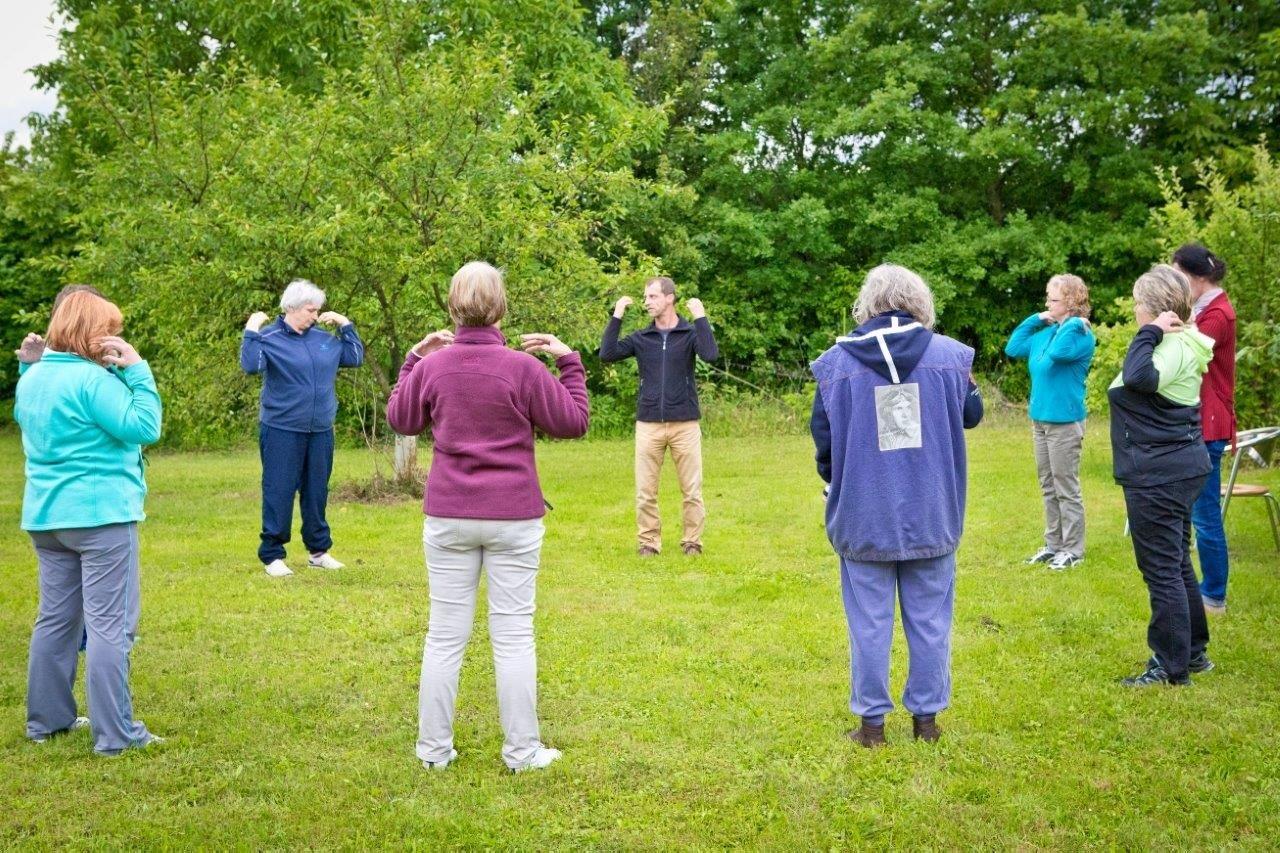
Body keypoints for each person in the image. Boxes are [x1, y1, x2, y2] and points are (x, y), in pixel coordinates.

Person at [386, 261, 589, 773]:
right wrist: (569, 361)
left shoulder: (434, 367)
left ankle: (433, 752)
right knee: (514, 635)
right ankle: (521, 753)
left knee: (444, 636)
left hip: (449, 514)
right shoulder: (523, 368)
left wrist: (413, 359)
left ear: (453, 307)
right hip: (513, 515)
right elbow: (573, 422)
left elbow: (401, 419)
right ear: (501, 307)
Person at [810, 264, 983, 747]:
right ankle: (926, 721)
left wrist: (837, 480)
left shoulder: (836, 364)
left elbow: (824, 444)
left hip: (864, 511)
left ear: (867, 303)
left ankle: (872, 726)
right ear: (919, 302)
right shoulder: (951, 357)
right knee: (930, 621)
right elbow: (973, 414)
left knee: (868, 624)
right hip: (931, 509)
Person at [14, 290, 163, 754]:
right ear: (88, 331)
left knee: (55, 620)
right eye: (108, 330)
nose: (113, 337)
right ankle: (117, 735)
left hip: (47, 518)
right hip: (100, 517)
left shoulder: (33, 377)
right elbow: (144, 427)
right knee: (109, 627)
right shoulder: (92, 381)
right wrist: (138, 370)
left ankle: (47, 722)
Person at [1108, 264, 1214, 687]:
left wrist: (1149, 331)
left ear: (1151, 307)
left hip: (1158, 473)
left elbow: (1138, 378)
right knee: (1176, 562)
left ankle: (1170, 666)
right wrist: (1153, 333)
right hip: (1176, 465)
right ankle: (1193, 652)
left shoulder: (1166, 345)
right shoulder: (1182, 341)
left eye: (1138, 304)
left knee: (1162, 570)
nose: (1135, 311)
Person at [240, 279, 364, 577]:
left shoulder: (324, 340)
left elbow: (355, 357)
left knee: (317, 491)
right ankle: (272, 555)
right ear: (291, 308)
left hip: (320, 430)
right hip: (281, 429)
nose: (316, 316)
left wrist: (345, 325)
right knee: (279, 490)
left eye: (317, 310)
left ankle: (318, 552)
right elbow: (251, 365)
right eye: (311, 310)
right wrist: (252, 329)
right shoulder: (269, 339)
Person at [599, 276, 719, 556]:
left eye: (652, 296)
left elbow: (710, 354)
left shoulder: (689, 334)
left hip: (685, 423)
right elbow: (607, 353)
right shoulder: (642, 338)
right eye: (645, 297)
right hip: (648, 423)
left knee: (692, 490)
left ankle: (692, 542)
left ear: (669, 298)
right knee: (645, 492)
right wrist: (617, 314)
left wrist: (700, 317)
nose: (646, 302)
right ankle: (649, 543)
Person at [1004, 274, 1097, 570]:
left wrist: (1072, 323)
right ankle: (1053, 545)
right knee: (1048, 485)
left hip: (1065, 422)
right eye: (1047, 298)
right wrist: (1036, 319)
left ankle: (1073, 549)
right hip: (1040, 421)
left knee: (1065, 486)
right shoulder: (1045, 333)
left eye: (1053, 299)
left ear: (1071, 302)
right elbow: (1013, 348)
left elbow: (1059, 354)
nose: (1047, 303)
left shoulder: (1080, 334)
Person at [1172, 244, 1235, 615]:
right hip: (1199, 419)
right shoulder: (1203, 310)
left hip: (1210, 422)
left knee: (1205, 514)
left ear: (1195, 276)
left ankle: (1213, 594)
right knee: (1196, 510)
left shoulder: (1218, 314)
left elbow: (1188, 353)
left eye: (1178, 275)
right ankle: (1203, 589)